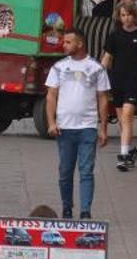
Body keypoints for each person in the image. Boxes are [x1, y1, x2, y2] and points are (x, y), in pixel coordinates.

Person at [45, 29, 110, 219]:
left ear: (79, 44)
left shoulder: (96, 68)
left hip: (87, 128)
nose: (63, 45)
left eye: (68, 42)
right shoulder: (58, 67)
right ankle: (67, 207)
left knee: (86, 171)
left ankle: (85, 212)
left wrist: (103, 127)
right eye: (64, 42)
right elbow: (51, 95)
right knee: (65, 172)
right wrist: (51, 122)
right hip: (64, 128)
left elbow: (103, 98)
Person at [103, 0, 137, 170]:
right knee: (122, 121)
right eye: (123, 15)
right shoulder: (114, 36)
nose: (127, 19)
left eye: (129, 14)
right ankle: (131, 150)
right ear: (119, 17)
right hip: (117, 81)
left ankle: (123, 155)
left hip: (134, 80)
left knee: (127, 115)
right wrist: (100, 74)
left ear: (135, 15)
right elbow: (107, 59)